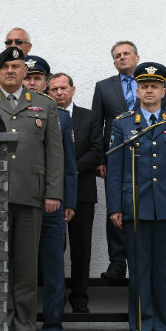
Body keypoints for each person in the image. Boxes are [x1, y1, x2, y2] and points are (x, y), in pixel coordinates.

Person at [107, 62, 166, 331]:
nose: (149, 91)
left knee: (162, 269)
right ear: (137, 91)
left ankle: (163, 329)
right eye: (144, 86)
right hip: (134, 207)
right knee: (139, 269)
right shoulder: (123, 123)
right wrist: (115, 207)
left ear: (163, 91)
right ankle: (140, 327)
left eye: (155, 86)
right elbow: (114, 168)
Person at [0, 47, 64, 331]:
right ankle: (0, 326)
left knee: (26, 265)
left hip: (31, 194)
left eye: (16, 66)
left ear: (25, 73)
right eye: (6, 66)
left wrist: (53, 192)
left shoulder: (44, 105)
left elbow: (55, 153)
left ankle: (24, 328)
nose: (11, 70)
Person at [91, 41, 166, 280]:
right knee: (116, 209)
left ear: (137, 57)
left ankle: (146, 262)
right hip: (116, 158)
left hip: (149, 157)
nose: (122, 58)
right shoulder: (103, 87)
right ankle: (117, 263)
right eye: (117, 55)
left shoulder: (155, 85)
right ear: (113, 61)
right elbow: (97, 124)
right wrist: (100, 158)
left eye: (126, 54)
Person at [22, 56, 77, 331]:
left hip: (53, 204)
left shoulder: (60, 115)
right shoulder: (12, 111)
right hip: (24, 200)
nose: (32, 82)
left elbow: (66, 164)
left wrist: (68, 200)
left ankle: (54, 326)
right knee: (21, 267)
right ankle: (20, 326)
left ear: (45, 82)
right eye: (27, 77)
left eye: (37, 78)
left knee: (54, 267)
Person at [48, 72, 102, 313]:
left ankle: (79, 296)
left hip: (82, 190)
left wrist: (71, 169)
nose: (59, 93)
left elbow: (96, 149)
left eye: (63, 88)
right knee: (54, 247)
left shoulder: (89, 117)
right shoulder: (47, 116)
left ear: (73, 89)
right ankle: (55, 297)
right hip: (52, 192)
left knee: (81, 248)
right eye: (54, 90)